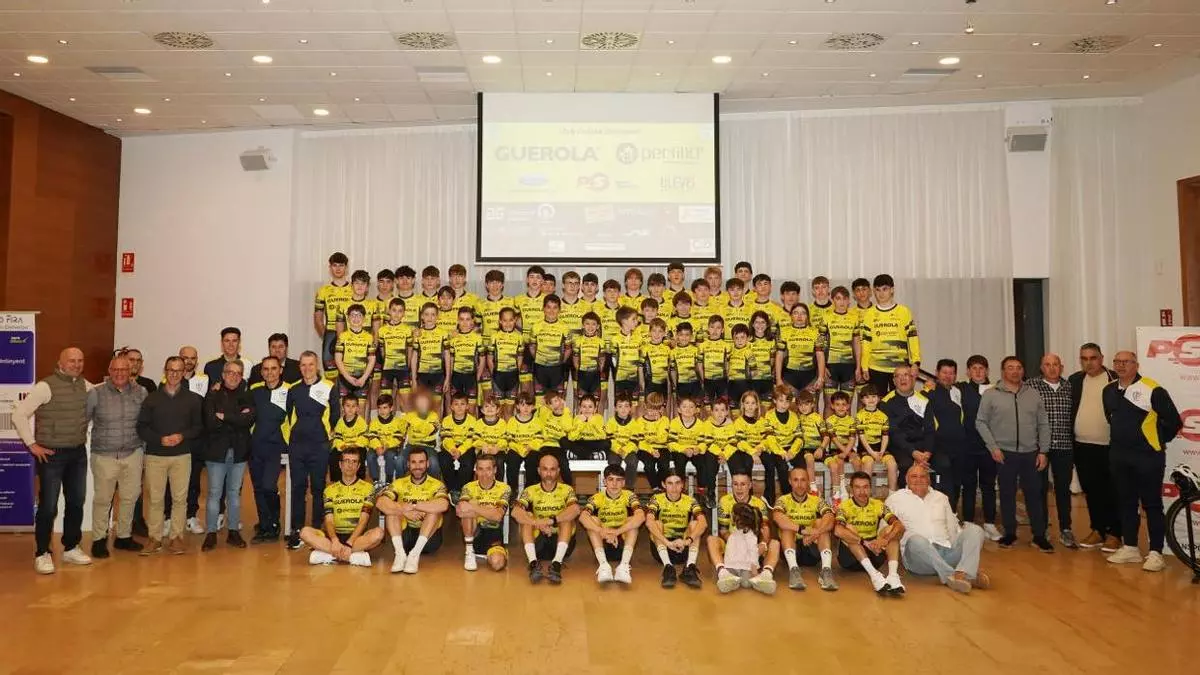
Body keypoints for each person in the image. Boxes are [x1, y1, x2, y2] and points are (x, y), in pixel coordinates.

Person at [13, 348, 93, 574]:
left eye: (80, 360)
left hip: (77, 454)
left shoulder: (85, 385)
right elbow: (19, 415)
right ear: (60, 363)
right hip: (51, 455)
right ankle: (42, 553)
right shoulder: (45, 386)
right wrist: (32, 444)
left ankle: (71, 547)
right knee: (48, 506)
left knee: (76, 502)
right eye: (71, 361)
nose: (76, 364)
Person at [1102, 351, 1182, 572]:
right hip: (1119, 456)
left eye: (1126, 362)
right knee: (1126, 502)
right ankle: (1130, 547)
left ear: (1136, 365)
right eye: (1117, 362)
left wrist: (1155, 439)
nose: (1120, 365)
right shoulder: (1108, 390)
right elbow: (1110, 418)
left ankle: (1156, 552)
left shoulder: (1152, 389)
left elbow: (1174, 421)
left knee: (1152, 504)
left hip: (1148, 457)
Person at [976, 356, 1053, 552]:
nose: (1015, 371)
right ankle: (1009, 533)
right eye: (1010, 367)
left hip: (1031, 453)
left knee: (1034, 495)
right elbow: (981, 422)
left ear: (1023, 371)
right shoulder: (991, 394)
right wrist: (993, 447)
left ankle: (1039, 535)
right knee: (1007, 494)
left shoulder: (1033, 394)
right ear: (1003, 371)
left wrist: (1043, 451)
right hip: (1004, 453)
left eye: (1019, 367)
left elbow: (1043, 423)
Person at [137, 356, 204, 557]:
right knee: (155, 499)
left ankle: (176, 537)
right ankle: (154, 538)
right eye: (170, 370)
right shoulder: (152, 398)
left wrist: (182, 436)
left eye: (178, 370)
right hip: (155, 456)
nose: (174, 374)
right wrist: (160, 439)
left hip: (181, 456)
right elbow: (141, 427)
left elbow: (198, 427)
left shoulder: (193, 399)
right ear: (165, 371)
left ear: (184, 373)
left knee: (180, 499)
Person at [886, 465, 991, 594]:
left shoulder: (941, 498)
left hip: (946, 552)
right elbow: (885, 530)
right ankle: (959, 575)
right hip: (918, 558)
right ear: (906, 479)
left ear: (929, 480)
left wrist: (962, 544)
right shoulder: (895, 499)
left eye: (923, 476)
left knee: (975, 530)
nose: (918, 480)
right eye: (914, 476)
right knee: (916, 540)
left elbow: (953, 528)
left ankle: (963, 573)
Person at [86, 355, 147, 558]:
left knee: (130, 497)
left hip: (133, 453)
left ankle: (123, 537)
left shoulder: (141, 392)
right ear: (109, 371)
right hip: (104, 455)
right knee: (103, 499)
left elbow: (146, 422)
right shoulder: (96, 393)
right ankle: (99, 539)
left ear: (131, 371)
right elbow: (83, 420)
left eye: (124, 369)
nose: (120, 373)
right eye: (116, 369)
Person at [1069, 343, 1121, 552]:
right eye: (1084, 358)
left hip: (1110, 446)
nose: (1088, 363)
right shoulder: (1075, 380)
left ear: (1101, 358)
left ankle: (1115, 533)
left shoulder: (1115, 378)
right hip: (1082, 446)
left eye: (1093, 358)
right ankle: (1098, 530)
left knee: (1113, 491)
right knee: (1091, 491)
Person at [200, 360, 255, 551]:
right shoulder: (212, 395)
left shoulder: (247, 395)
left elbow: (248, 420)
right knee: (214, 493)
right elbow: (210, 422)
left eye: (238, 373)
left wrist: (225, 416)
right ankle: (211, 533)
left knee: (234, 494)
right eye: (230, 372)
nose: (234, 376)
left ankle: (233, 531)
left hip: (239, 452)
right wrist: (236, 417)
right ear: (223, 375)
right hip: (216, 452)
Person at [1027, 353, 1078, 549]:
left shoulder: (1069, 387)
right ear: (1041, 368)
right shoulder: (1031, 386)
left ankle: (1066, 529)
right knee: (1039, 489)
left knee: (1063, 490)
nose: (1052, 368)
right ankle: (1041, 530)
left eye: (1055, 364)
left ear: (1061, 367)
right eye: (1047, 364)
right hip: (1039, 448)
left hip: (1064, 446)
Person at [284, 352, 335, 550]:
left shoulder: (329, 387)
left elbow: (335, 417)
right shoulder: (294, 389)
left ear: (317, 366)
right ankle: (297, 530)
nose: (307, 368)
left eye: (311, 364)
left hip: (319, 446)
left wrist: (327, 441)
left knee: (318, 488)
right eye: (303, 365)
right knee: (297, 488)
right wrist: (290, 441)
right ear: (300, 367)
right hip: (297, 447)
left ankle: (316, 530)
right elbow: (288, 417)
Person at [300, 449, 383, 567]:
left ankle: (330, 555)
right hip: (333, 536)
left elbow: (364, 520)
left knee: (378, 533)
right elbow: (329, 520)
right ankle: (353, 556)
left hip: (357, 537)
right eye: (347, 461)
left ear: (358, 466)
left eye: (354, 462)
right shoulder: (329, 490)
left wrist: (350, 543)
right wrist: (334, 540)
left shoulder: (368, 488)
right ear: (340, 464)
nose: (350, 465)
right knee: (305, 532)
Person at [376, 446, 449, 574]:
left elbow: (444, 505)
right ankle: (400, 555)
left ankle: (414, 555)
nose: (417, 466)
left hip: (429, 539)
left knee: (434, 512)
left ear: (427, 464)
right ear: (408, 464)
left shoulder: (437, 484)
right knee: (392, 510)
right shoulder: (399, 483)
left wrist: (413, 506)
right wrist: (402, 510)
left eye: (421, 462)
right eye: (413, 462)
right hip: (405, 536)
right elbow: (380, 503)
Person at [834, 471, 906, 595]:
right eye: (857, 487)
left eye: (865, 487)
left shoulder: (877, 504)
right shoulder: (844, 506)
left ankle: (893, 576)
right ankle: (875, 576)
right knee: (849, 529)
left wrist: (885, 539)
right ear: (851, 489)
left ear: (870, 488)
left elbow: (899, 525)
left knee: (892, 529)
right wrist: (864, 543)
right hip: (850, 558)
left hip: (874, 552)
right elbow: (837, 530)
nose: (862, 492)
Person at [512, 453, 579, 585]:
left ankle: (556, 564)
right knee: (527, 516)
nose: (548, 473)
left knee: (566, 519)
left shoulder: (567, 489)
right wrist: (536, 523)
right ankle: (533, 563)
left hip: (561, 539)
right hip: (539, 542)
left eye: (552, 469)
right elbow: (515, 512)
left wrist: (551, 521)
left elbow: (575, 509)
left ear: (558, 471)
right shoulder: (530, 490)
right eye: (545, 469)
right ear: (539, 470)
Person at [708, 471, 779, 594]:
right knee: (711, 539)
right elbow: (723, 530)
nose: (739, 488)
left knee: (775, 543)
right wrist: (737, 544)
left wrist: (763, 543)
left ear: (750, 485)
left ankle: (766, 575)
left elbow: (765, 529)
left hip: (753, 547)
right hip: (732, 547)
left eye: (743, 484)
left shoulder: (759, 503)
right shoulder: (725, 501)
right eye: (735, 484)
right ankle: (723, 573)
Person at [772, 467, 838, 591]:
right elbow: (777, 517)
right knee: (787, 528)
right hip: (791, 547)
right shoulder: (783, 500)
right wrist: (803, 530)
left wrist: (816, 533)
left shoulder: (817, 500)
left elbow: (830, 518)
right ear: (790, 481)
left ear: (808, 481)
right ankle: (794, 571)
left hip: (812, 546)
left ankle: (826, 571)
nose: (799, 484)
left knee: (821, 523)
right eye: (795, 480)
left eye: (803, 480)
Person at [958, 355, 1001, 540]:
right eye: (974, 368)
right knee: (968, 486)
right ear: (968, 371)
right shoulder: (960, 389)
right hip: (967, 446)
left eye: (981, 368)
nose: (977, 372)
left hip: (989, 447)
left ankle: (990, 524)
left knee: (988, 486)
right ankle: (968, 523)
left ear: (987, 371)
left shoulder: (996, 390)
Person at [580, 465, 645, 585]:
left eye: (618, 480)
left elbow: (641, 516)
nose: (614, 484)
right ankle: (604, 566)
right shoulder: (597, 497)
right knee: (592, 519)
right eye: (611, 479)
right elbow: (582, 517)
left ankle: (624, 566)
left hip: (622, 542)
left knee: (633, 520)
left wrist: (616, 532)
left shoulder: (629, 495)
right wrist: (602, 531)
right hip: (603, 542)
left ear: (623, 482)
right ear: (604, 482)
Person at [248, 356, 289, 543]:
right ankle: (264, 524)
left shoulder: (289, 390)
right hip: (256, 446)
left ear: (280, 370)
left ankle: (274, 523)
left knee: (268, 486)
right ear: (261, 372)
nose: (270, 372)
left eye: (273, 368)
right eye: (266, 369)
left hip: (276, 447)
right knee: (258, 488)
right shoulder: (254, 390)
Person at [858, 274, 921, 394]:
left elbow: (913, 339)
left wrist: (915, 363)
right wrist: (864, 366)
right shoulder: (869, 314)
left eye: (885, 289)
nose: (881, 293)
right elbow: (865, 342)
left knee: (900, 401)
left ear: (892, 290)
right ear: (874, 291)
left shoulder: (904, 311)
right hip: (876, 367)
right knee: (877, 402)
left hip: (900, 368)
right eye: (878, 290)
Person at [644, 469, 706, 589]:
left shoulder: (690, 500)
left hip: (683, 547)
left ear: (682, 484)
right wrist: (667, 543)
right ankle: (668, 567)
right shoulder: (657, 499)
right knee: (656, 523)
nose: (674, 487)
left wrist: (687, 541)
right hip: (663, 546)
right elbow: (649, 522)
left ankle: (689, 567)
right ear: (663, 484)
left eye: (677, 483)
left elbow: (703, 523)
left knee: (695, 524)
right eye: (670, 483)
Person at [880, 367, 935, 489]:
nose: (902, 379)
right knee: (906, 464)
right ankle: (906, 498)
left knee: (943, 463)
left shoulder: (924, 400)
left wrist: (927, 452)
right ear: (894, 381)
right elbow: (893, 433)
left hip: (922, 445)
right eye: (898, 376)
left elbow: (930, 429)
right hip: (900, 446)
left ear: (913, 378)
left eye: (906, 375)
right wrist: (913, 452)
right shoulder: (885, 403)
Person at [457, 454, 512, 572]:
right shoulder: (468, 487)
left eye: (488, 469)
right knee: (466, 510)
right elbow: (460, 511)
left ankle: (491, 554)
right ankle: (469, 551)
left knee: (497, 564)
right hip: (473, 533)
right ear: (476, 470)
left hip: (494, 535)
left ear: (495, 470)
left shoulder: (504, 488)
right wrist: (489, 510)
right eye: (480, 469)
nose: (484, 473)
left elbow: (498, 516)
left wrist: (474, 507)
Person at [926, 359, 968, 504]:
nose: (948, 376)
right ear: (937, 373)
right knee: (942, 485)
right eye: (944, 372)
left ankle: (953, 513)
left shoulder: (958, 392)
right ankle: (940, 514)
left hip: (959, 447)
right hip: (939, 447)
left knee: (956, 484)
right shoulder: (928, 393)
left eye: (951, 373)